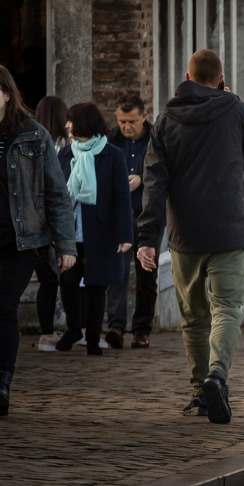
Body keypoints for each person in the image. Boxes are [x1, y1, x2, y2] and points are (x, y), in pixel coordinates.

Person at [138, 49, 244, 424]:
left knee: (194, 317)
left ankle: (200, 393)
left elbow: (154, 182)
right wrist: (236, 102)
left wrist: (148, 237)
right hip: (228, 230)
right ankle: (217, 375)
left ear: (186, 76)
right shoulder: (235, 110)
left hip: (184, 236)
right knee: (227, 308)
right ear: (220, 79)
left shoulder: (165, 121)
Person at [0, 64, 76, 417]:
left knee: (3, 305)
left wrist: (65, 246)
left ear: (8, 94)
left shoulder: (35, 135)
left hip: (23, 240)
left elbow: (56, 194)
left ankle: (2, 380)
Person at [53, 103, 135, 356]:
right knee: (67, 280)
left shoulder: (113, 155)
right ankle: (75, 328)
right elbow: (56, 195)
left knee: (97, 286)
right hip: (71, 232)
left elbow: (122, 197)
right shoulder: (65, 155)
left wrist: (125, 235)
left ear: (84, 123)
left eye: (71, 121)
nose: (66, 125)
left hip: (102, 231)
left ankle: (92, 338)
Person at [103, 94, 156, 349]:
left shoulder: (157, 139)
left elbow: (167, 172)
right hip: (119, 217)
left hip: (148, 216)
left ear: (143, 117)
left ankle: (142, 330)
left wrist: (141, 179)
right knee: (118, 271)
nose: (126, 126)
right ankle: (115, 325)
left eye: (132, 121)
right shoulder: (110, 140)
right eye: (122, 121)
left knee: (146, 274)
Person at [32, 95, 70, 352]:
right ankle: (74, 328)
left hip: (35, 221)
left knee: (46, 280)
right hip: (60, 219)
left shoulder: (31, 141)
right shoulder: (67, 146)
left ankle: (46, 333)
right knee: (67, 278)